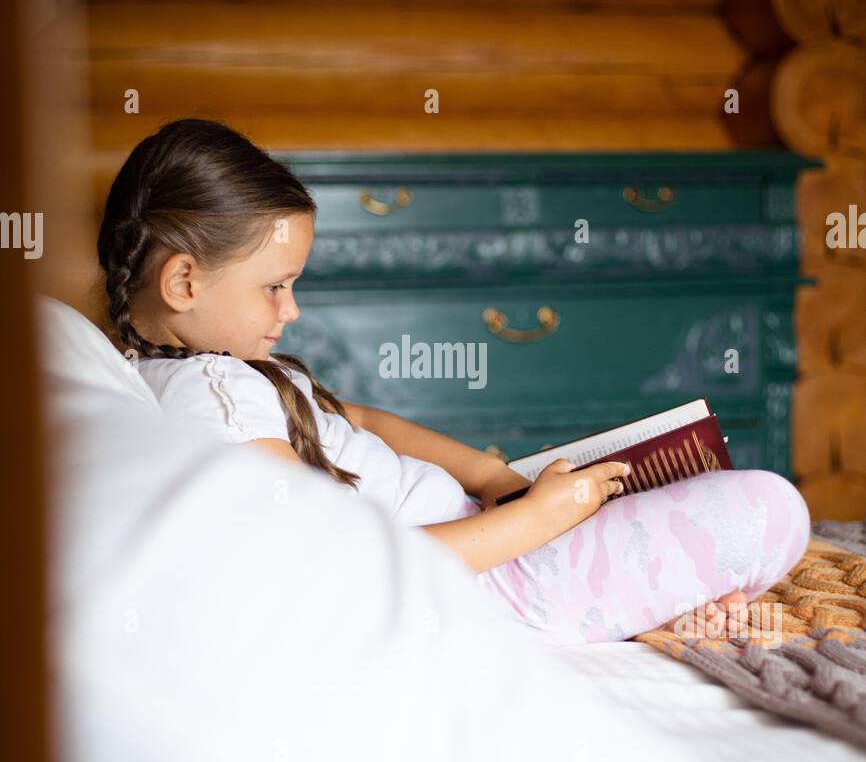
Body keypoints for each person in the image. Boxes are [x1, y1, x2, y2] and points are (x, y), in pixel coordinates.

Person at [96, 118, 811, 647]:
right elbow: (340, 558)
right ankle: (643, 600)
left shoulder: (231, 374)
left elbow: (368, 422)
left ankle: (659, 599)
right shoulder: (211, 399)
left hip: (483, 537)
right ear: (184, 280)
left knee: (675, 500)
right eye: (276, 287)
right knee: (771, 508)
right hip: (482, 586)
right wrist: (533, 520)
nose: (292, 309)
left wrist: (489, 474)